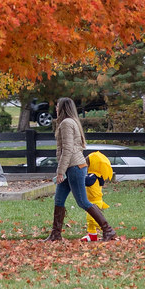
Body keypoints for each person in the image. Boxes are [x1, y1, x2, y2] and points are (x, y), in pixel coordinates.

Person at [45, 98, 117, 241]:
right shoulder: (72, 122)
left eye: (58, 106)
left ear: (64, 108)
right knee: (59, 199)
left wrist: (60, 171)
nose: (56, 109)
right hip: (70, 166)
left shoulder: (66, 123)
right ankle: (55, 234)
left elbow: (67, 149)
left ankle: (108, 230)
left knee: (83, 201)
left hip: (74, 167)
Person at [81, 151, 114, 243]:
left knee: (93, 218)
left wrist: (79, 176)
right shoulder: (97, 175)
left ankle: (107, 230)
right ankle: (92, 234)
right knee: (90, 219)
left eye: (87, 164)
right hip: (93, 200)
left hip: (95, 201)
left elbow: (87, 181)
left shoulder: (92, 176)